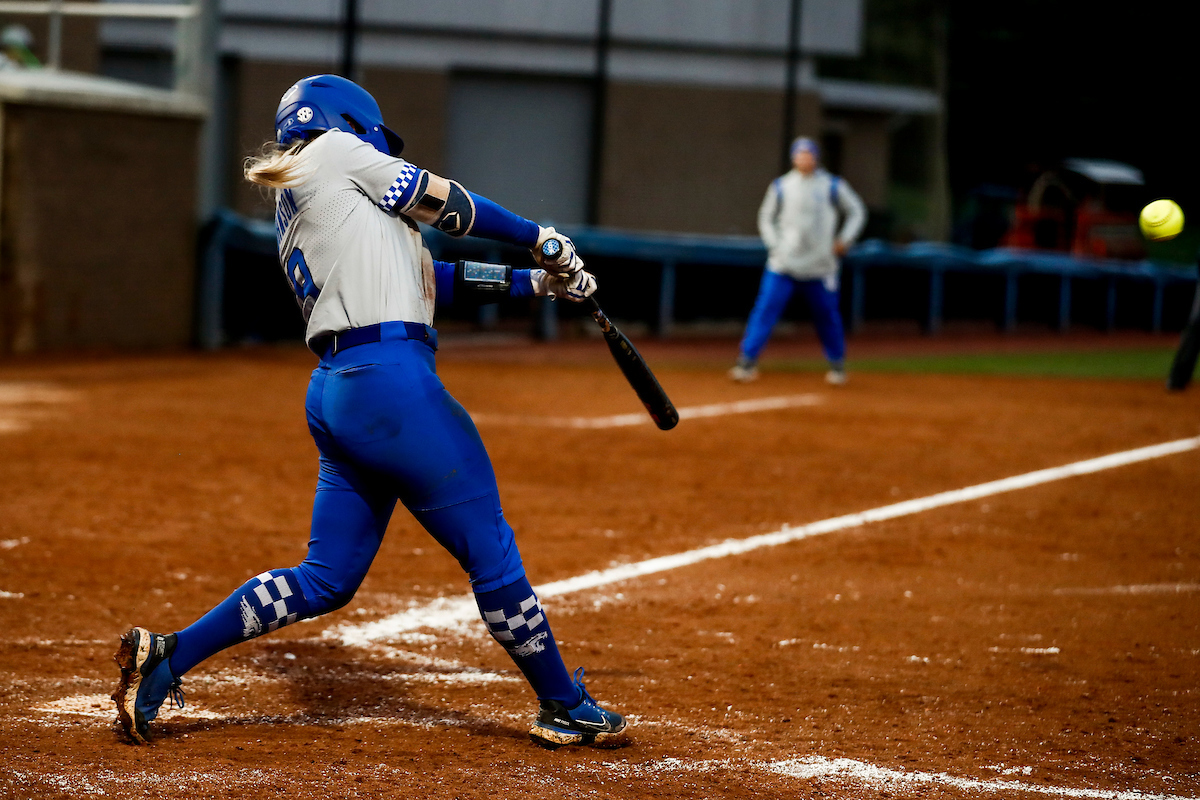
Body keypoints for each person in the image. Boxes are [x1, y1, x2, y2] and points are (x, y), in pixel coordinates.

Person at [111, 74, 627, 751]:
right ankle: (565, 705)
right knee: (491, 551)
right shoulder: (334, 152)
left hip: (340, 390)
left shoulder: (306, 195)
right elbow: (447, 203)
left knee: (325, 579)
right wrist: (540, 239)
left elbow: (431, 277)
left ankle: (169, 655)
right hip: (391, 386)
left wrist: (537, 283)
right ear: (350, 122)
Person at [729, 136, 866, 385]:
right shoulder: (781, 186)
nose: (804, 158)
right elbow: (766, 217)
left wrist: (845, 239)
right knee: (765, 311)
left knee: (827, 315)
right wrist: (774, 246)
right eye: (800, 154)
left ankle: (837, 365)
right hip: (784, 264)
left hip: (820, 266)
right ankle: (747, 361)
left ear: (816, 157)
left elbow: (857, 210)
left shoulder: (832, 185)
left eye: (809, 153)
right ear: (794, 157)